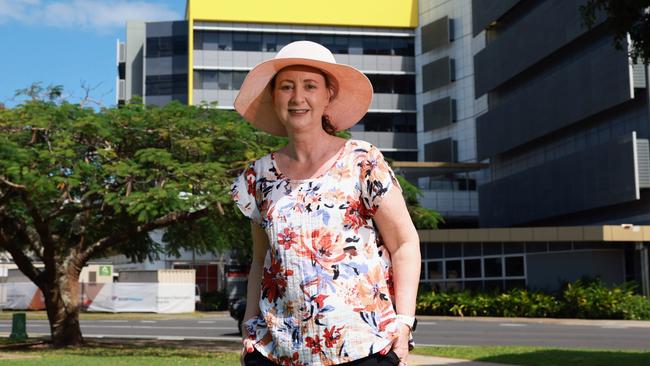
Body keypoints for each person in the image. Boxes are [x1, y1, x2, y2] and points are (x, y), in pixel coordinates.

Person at [231, 40, 420, 366]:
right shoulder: (258, 176)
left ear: (328, 95)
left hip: (363, 348)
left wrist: (404, 323)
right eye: (286, 87)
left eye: (310, 86)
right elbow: (261, 260)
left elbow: (404, 243)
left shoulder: (362, 161)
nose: (297, 97)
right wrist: (249, 327)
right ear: (274, 97)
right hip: (277, 352)